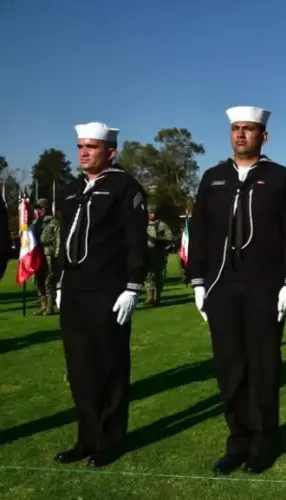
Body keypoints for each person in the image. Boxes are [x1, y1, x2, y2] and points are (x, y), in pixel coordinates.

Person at [187, 106, 286, 475]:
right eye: (235, 128)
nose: (240, 135)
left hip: (264, 288)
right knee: (230, 369)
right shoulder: (213, 178)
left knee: (263, 368)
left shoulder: (281, 178)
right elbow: (200, 232)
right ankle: (237, 442)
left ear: (263, 136)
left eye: (248, 129)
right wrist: (198, 281)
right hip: (222, 287)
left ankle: (263, 443)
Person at [54, 122, 148, 467]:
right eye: (80, 146)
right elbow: (65, 241)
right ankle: (86, 437)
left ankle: (110, 440)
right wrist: (62, 282)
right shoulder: (68, 189)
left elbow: (136, 241)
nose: (83, 152)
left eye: (91, 147)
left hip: (109, 290)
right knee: (79, 368)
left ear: (110, 151)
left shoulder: (125, 187)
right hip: (75, 289)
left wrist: (133, 287)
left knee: (109, 366)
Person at [32, 198, 60, 315]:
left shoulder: (54, 222)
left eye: (41, 208)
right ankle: (43, 304)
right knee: (38, 280)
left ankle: (50, 306)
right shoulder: (35, 223)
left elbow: (59, 240)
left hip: (49, 254)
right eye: (38, 208)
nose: (39, 211)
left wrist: (57, 255)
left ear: (46, 208)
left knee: (49, 281)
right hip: (37, 254)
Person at [144, 205, 173, 305]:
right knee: (148, 276)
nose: (150, 215)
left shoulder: (162, 225)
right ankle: (150, 297)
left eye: (152, 213)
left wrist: (164, 247)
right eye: (148, 213)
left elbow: (169, 238)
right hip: (147, 253)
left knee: (159, 276)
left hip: (159, 254)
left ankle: (157, 297)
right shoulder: (142, 225)